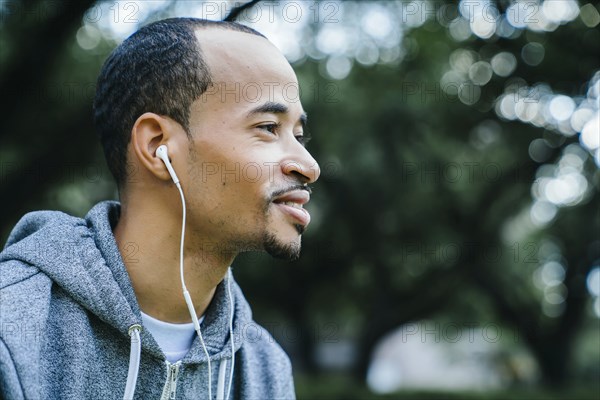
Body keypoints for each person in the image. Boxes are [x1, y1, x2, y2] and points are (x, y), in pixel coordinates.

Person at [0, 17, 320, 399]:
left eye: (298, 135)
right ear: (157, 146)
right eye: (268, 127)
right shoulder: (14, 334)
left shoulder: (263, 367)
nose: (309, 166)